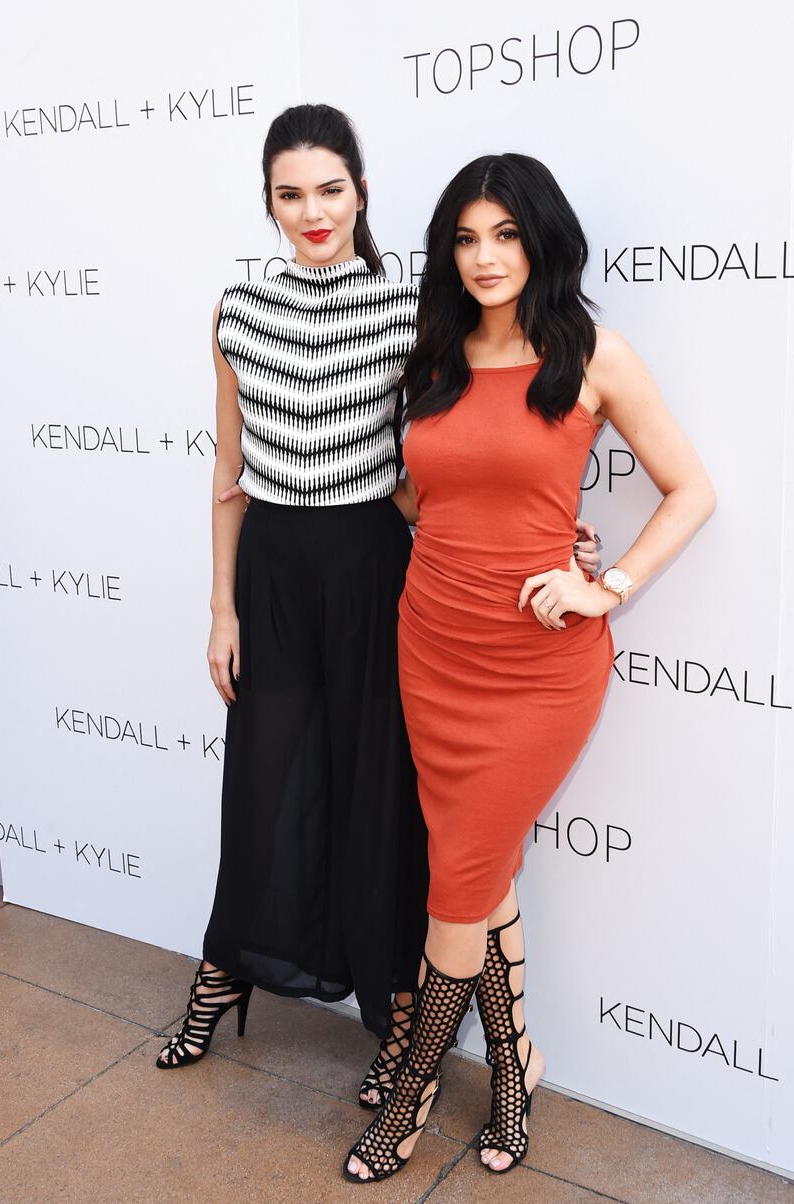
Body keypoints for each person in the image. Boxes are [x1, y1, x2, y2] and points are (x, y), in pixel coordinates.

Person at [157, 108, 602, 1109]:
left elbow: (452, 459)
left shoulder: (413, 311)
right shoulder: (235, 309)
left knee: (375, 794)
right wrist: (220, 608)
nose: (310, 212)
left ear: (359, 191)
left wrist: (556, 541)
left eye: (328, 189)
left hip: (372, 565)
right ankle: (225, 963)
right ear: (267, 203)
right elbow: (226, 472)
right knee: (261, 777)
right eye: (287, 194)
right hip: (270, 563)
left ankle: (395, 1002)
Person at [343, 153, 716, 1183]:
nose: (482, 256)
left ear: (540, 239)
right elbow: (424, 498)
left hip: (538, 664)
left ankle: (417, 1080)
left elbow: (689, 489)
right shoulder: (432, 357)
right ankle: (513, 1066)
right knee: (481, 862)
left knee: (458, 875)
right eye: (464, 237)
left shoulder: (591, 351)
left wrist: (607, 582)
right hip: (432, 644)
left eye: (503, 234)